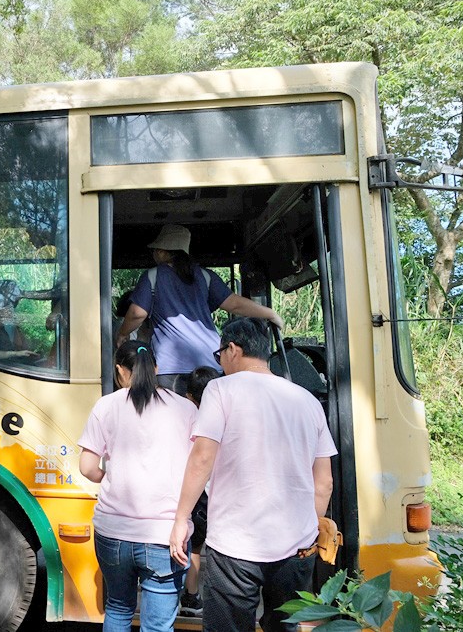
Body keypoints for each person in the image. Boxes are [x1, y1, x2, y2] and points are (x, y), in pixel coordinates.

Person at [168, 318, 337, 632]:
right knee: (284, 627)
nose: (220, 362)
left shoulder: (220, 389)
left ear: (232, 349)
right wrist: (306, 531)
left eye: (220, 354)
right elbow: (324, 482)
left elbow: (202, 457)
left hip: (235, 547)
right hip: (296, 549)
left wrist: (181, 519)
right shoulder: (307, 401)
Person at [78, 340, 198, 632]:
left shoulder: (106, 406)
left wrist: (107, 477)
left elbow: (87, 467)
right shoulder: (186, 408)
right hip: (165, 535)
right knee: (157, 626)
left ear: (120, 371)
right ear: (156, 368)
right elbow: (200, 467)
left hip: (113, 533)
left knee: (118, 610)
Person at [114, 224, 284, 396]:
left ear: (163, 252)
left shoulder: (153, 276)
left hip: (171, 368)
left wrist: (122, 334)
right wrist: (270, 313)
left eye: (155, 250)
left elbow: (137, 313)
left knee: (178, 420)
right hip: (211, 363)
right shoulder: (205, 276)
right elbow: (235, 304)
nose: (154, 254)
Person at [179, 365, 222, 618]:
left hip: (195, 493)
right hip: (219, 493)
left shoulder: (186, 418)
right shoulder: (224, 415)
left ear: (189, 397)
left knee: (193, 547)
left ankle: (190, 596)